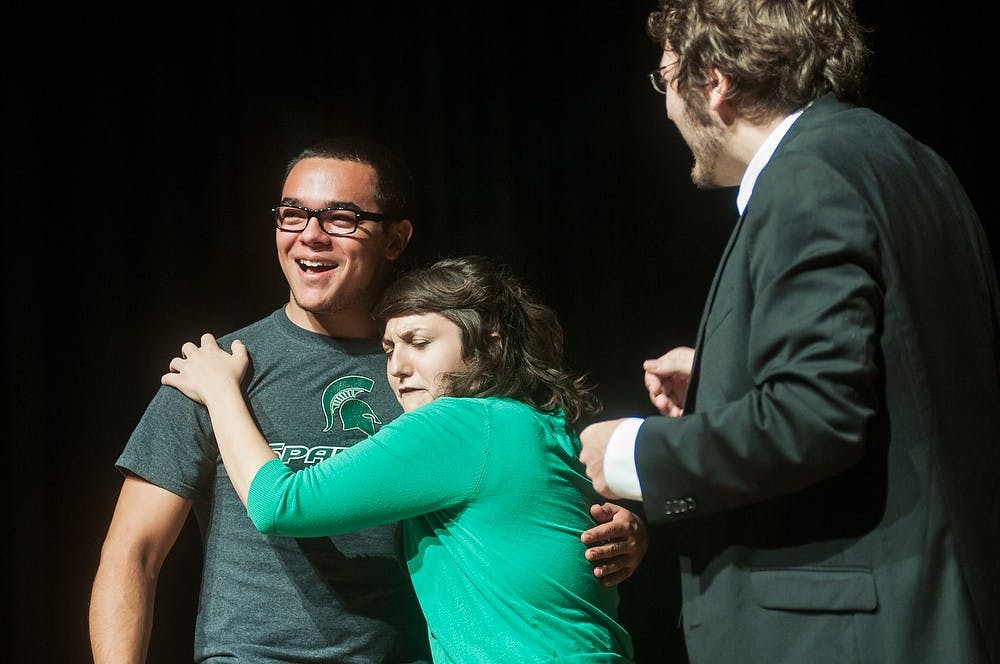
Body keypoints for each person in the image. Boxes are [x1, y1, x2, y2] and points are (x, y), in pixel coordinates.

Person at [90, 137, 647, 663]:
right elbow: (132, 553)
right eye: (292, 214)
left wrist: (613, 532)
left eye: (341, 217)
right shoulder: (214, 370)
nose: (311, 234)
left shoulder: (439, 377)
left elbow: (535, 489)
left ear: (396, 239)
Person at [577, 1, 1000, 663]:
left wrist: (632, 453)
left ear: (712, 81)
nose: (666, 109)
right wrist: (724, 374)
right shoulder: (909, 160)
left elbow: (816, 418)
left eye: (666, 81)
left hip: (845, 632)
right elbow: (904, 373)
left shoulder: (807, 178)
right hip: (926, 605)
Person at [160, 255, 637, 662]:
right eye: (390, 348)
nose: (397, 366)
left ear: (492, 345)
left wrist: (221, 391)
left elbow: (280, 504)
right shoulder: (536, 423)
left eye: (420, 342)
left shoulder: (459, 424)